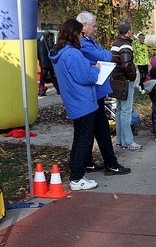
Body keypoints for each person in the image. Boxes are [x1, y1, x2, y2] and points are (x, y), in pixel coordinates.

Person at [76, 11, 131, 175]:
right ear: (84, 25)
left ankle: (88, 162)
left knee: (92, 129)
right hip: (94, 91)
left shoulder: (87, 40)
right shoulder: (82, 43)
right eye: (93, 26)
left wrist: (103, 54)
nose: (95, 29)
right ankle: (110, 163)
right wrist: (103, 55)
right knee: (101, 129)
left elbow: (104, 53)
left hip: (97, 90)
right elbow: (104, 55)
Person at [48, 19, 99, 190]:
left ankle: (76, 174)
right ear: (74, 34)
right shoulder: (73, 54)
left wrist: (88, 68)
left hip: (74, 101)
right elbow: (86, 77)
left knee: (79, 139)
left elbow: (78, 73)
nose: (81, 37)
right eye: (80, 33)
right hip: (82, 101)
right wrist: (96, 69)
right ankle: (77, 177)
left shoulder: (62, 53)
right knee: (83, 140)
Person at [110, 21, 141, 151]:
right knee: (126, 112)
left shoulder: (115, 43)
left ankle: (120, 140)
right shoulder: (126, 45)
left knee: (119, 111)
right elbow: (126, 64)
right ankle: (128, 141)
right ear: (128, 30)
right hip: (125, 81)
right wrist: (133, 77)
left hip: (116, 80)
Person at [37, 31, 59, 96]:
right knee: (53, 77)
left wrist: (40, 60)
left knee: (43, 77)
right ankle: (58, 90)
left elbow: (37, 54)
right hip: (50, 62)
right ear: (49, 36)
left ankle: (41, 91)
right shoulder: (50, 43)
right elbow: (53, 53)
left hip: (43, 63)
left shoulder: (39, 43)